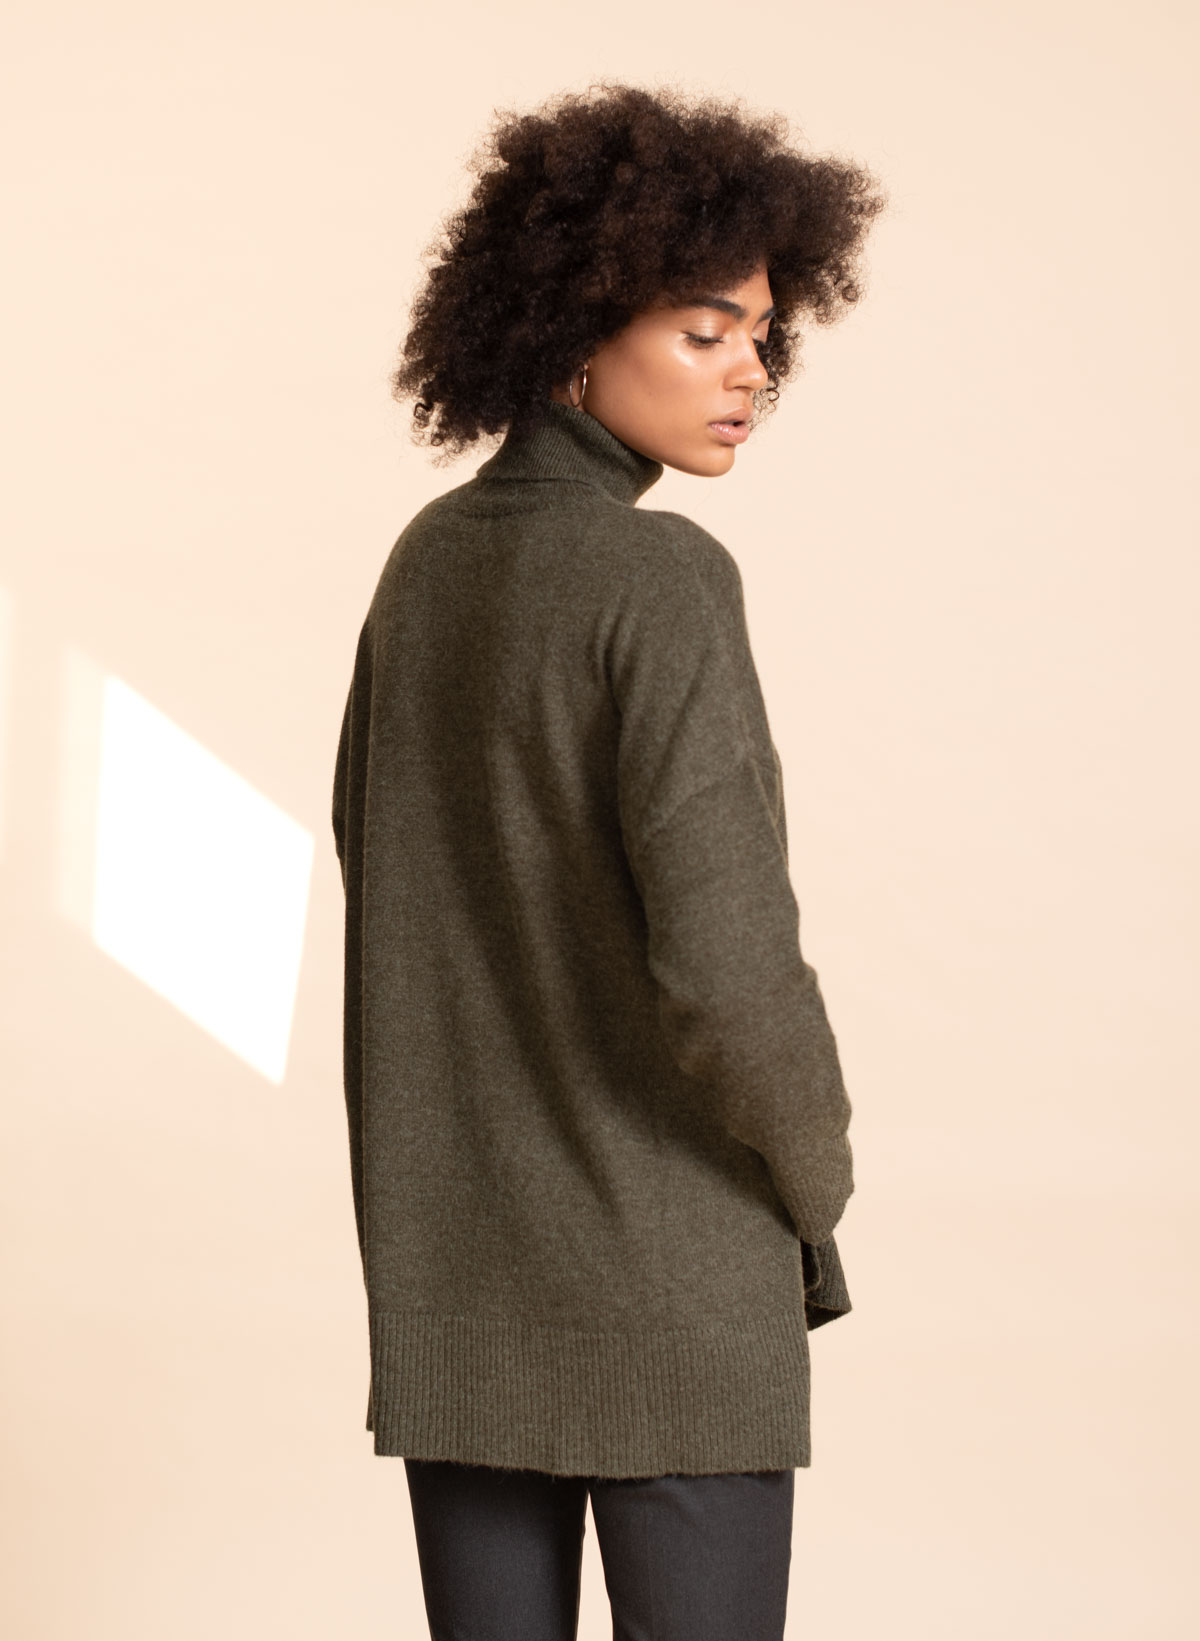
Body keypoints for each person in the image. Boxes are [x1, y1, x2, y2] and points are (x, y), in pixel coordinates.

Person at [331, 80, 887, 1640]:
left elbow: (385, 874)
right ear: (575, 330)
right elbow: (728, 962)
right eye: (706, 331)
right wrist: (816, 1175)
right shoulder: (662, 579)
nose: (751, 370)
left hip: (460, 1284)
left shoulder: (427, 569)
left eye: (764, 335)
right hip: (676, 1285)